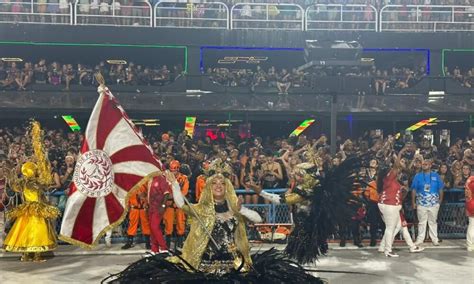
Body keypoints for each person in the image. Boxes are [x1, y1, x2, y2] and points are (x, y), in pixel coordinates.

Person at [105, 159, 323, 283]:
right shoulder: (201, 209)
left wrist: (242, 210)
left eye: (222, 182)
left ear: (226, 187)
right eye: (214, 183)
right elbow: (181, 204)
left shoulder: (235, 208)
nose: (218, 185)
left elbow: (256, 219)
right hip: (204, 265)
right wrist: (173, 185)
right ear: (209, 187)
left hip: (235, 265)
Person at [253, 155, 362, 264]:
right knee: (298, 244)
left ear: (305, 176)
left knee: (301, 245)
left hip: (305, 223)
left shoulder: (305, 192)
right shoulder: (312, 187)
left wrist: (261, 192)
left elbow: (281, 200)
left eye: (297, 175)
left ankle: (303, 262)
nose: (294, 176)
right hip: (303, 221)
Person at [3, 121, 60, 262]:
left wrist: (11, 171)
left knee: (24, 231)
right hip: (36, 210)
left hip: (26, 210)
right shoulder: (35, 182)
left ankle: (26, 254)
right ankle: (36, 255)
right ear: (33, 172)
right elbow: (46, 182)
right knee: (36, 230)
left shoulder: (23, 182)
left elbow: (13, 185)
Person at [377, 152, 404, 257]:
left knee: (397, 226)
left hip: (389, 205)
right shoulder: (389, 178)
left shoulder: (387, 180)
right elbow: (396, 166)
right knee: (390, 228)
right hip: (390, 205)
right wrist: (400, 153)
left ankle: (383, 246)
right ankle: (388, 250)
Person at [411, 158, 444, 246]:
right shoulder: (417, 176)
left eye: (426, 164)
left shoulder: (436, 175)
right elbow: (414, 190)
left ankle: (434, 239)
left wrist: (440, 200)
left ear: (430, 165)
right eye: (423, 164)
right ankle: (420, 239)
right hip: (421, 203)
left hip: (434, 203)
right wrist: (413, 202)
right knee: (422, 221)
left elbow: (440, 188)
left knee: (433, 221)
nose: (424, 165)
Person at [163, 160, 189, 250]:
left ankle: (179, 244)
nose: (173, 172)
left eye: (174, 170)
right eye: (171, 170)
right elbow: (165, 192)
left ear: (178, 169)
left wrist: (174, 194)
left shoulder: (184, 178)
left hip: (179, 205)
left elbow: (184, 192)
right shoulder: (166, 178)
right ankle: (167, 245)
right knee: (168, 225)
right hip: (169, 205)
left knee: (180, 224)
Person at [121, 183, 151, 250]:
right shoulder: (130, 185)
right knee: (132, 225)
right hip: (134, 208)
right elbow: (127, 197)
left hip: (143, 209)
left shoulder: (145, 183)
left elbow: (149, 194)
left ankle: (148, 243)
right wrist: (127, 208)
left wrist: (144, 197)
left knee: (146, 225)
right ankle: (129, 242)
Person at [147, 174, 170, 254]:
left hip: (158, 207)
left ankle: (164, 248)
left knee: (154, 226)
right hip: (151, 207)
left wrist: (163, 205)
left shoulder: (161, 178)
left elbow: (166, 193)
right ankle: (154, 249)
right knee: (152, 228)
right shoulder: (150, 179)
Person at [465, 176, 474, 252]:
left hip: (470, 203)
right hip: (472, 203)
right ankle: (471, 244)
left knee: (471, 225)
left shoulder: (469, 179)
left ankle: (470, 244)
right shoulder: (471, 180)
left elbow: (467, 194)